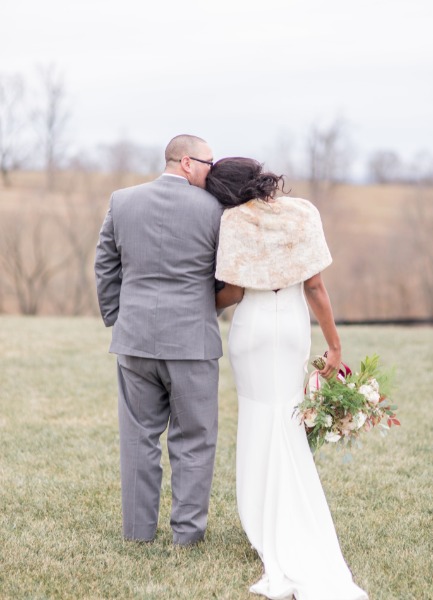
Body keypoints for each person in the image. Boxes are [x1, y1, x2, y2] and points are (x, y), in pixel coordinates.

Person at [206, 158, 368, 600]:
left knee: (259, 416)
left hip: (253, 328)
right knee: (287, 417)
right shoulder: (304, 212)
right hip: (293, 326)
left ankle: (261, 515)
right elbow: (315, 287)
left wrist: (198, 297)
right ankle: (287, 513)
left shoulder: (233, 220)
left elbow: (234, 292)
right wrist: (334, 345)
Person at [94, 134, 224, 546]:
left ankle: (137, 533)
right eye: (208, 163)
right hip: (192, 343)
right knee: (195, 440)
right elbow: (226, 274)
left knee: (138, 438)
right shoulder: (216, 211)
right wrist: (206, 311)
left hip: (134, 341)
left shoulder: (122, 201)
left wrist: (119, 318)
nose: (212, 171)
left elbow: (104, 266)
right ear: (187, 162)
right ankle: (186, 536)